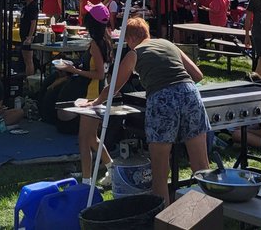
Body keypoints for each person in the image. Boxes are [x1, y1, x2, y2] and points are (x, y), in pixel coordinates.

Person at [83, 17, 211, 205]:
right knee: (201, 165)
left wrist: (96, 101)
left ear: (132, 38)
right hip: (190, 94)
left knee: (160, 169)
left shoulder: (135, 53)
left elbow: (114, 87)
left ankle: (163, 217)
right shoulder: (168, 44)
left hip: (162, 99)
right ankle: (207, 213)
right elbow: (198, 75)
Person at [59, 3, 114, 182]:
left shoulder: (95, 45)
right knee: (92, 138)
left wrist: (74, 70)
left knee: (84, 139)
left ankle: (86, 181)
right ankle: (112, 169)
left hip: (93, 96)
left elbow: (98, 73)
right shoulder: (106, 40)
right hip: (97, 94)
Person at [18, 0, 39, 78]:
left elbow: (33, 22)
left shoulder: (33, 7)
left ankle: (29, 79)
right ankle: (28, 78)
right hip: (23, 35)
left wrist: (30, 37)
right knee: (26, 59)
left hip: (27, 36)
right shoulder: (26, 6)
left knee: (28, 60)